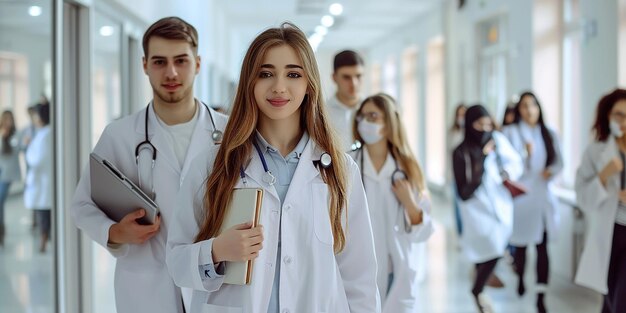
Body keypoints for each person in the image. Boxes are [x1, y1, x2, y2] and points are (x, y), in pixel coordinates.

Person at [166, 22, 380, 313]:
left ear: (309, 85)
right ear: (250, 83)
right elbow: (177, 263)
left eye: (293, 74)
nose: (279, 86)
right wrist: (216, 251)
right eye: (266, 74)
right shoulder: (211, 165)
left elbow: (360, 277)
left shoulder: (340, 170)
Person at [70, 17, 228, 313]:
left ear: (197, 63)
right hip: (145, 286)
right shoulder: (119, 135)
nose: (170, 72)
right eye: (159, 62)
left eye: (181, 60)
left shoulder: (230, 136)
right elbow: (82, 205)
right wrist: (115, 232)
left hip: (213, 285)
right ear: (145, 65)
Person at [349, 93, 433, 312]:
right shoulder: (348, 165)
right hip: (357, 268)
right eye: (362, 116)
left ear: (389, 123)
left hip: (397, 269)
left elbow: (423, 232)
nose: (364, 122)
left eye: (373, 116)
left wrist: (410, 203)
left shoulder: (408, 169)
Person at [452, 105, 522, 313]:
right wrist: (481, 157)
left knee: (496, 248)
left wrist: (508, 172)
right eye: (478, 124)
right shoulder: (460, 151)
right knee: (491, 249)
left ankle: (478, 289)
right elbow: (464, 190)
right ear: (469, 125)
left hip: (500, 204)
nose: (484, 129)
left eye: (488, 124)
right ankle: (478, 288)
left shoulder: (498, 141)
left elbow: (515, 162)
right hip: (476, 208)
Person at [502, 91, 563, 313]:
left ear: (539, 108)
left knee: (542, 247)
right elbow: (509, 167)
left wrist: (551, 171)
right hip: (522, 199)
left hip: (543, 197)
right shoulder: (510, 132)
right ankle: (520, 278)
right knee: (521, 246)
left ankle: (540, 294)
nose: (530, 111)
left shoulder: (549, 132)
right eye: (525, 106)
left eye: (533, 106)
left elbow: (559, 162)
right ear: (519, 110)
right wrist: (524, 154)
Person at [575, 88, 626, 313]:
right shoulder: (595, 152)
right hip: (612, 231)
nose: (624, 121)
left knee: (621, 300)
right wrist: (604, 175)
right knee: (610, 297)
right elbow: (584, 199)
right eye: (619, 114)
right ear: (607, 115)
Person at [24, 103, 52, 252]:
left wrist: (28, 148)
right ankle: (45, 238)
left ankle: (44, 241)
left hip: (43, 182)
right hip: (42, 182)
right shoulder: (43, 133)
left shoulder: (45, 134)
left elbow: (37, 159)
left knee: (44, 214)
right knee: (44, 213)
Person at [327, 49, 365, 151]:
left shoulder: (375, 112)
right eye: (346, 77)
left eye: (358, 76)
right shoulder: (322, 113)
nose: (354, 84)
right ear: (334, 78)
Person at [0, 110, 22, 246]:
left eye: (10, 119)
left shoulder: (15, 136)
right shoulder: (1, 134)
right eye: (6, 119)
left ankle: (1, 229)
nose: (9, 122)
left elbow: (16, 151)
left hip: (7, 175)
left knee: (0, 200)